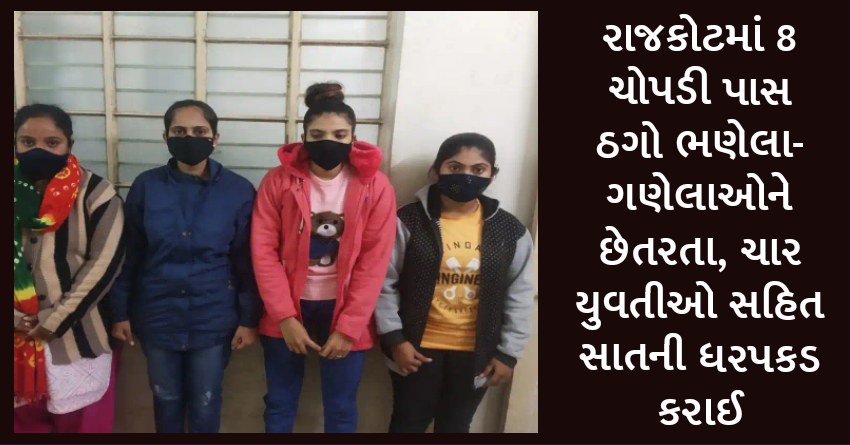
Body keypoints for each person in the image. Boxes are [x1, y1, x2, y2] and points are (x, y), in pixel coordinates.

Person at [251, 82, 396, 433]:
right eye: (317, 134)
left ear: (353, 138)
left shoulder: (375, 186)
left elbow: (374, 261)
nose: (328, 141)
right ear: (303, 137)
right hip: (288, 305)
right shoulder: (278, 181)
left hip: (344, 308)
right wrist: (285, 317)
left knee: (341, 408)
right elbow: (263, 251)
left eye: (339, 134)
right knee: (279, 402)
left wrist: (349, 327)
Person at [109, 99, 261, 433]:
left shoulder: (238, 190)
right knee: (165, 397)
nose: (189, 137)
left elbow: (247, 261)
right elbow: (129, 253)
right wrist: (120, 312)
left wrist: (249, 319)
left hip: (213, 318)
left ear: (215, 138)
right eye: (179, 131)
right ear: (166, 137)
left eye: (199, 131)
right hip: (157, 316)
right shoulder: (146, 186)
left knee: (206, 400)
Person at [375, 132, 535, 433]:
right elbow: (384, 282)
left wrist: (508, 353)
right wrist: (394, 338)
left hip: (476, 354)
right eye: (455, 167)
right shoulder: (407, 221)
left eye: (478, 169)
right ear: (436, 171)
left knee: (456, 425)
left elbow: (520, 295)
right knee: (408, 423)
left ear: (492, 174)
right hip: (415, 349)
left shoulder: (510, 230)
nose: (466, 176)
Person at [14, 104, 126, 433]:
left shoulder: (97, 194)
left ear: (69, 145)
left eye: (52, 143)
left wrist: (55, 319)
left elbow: (105, 264)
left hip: (80, 340)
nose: (39, 150)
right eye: (27, 142)